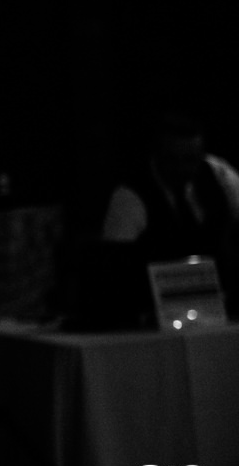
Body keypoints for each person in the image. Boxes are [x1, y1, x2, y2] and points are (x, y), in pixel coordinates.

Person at [98, 110, 239, 318]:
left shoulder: (220, 176)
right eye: (172, 160)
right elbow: (114, 265)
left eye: (190, 160)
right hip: (154, 311)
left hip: (217, 305)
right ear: (156, 155)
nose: (181, 168)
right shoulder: (131, 195)